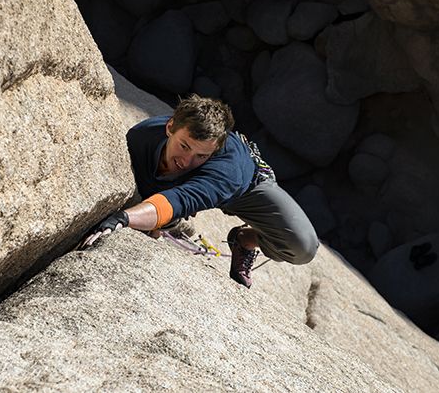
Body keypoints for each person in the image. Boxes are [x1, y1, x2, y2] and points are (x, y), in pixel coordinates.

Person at [81, 94, 319, 288]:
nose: (186, 160)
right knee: (157, 215)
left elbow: (182, 199)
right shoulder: (142, 136)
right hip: (188, 180)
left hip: (246, 188)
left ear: (214, 152)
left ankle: (245, 240)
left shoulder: (228, 172)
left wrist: (124, 218)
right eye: (184, 146)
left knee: (302, 246)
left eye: (201, 155)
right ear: (170, 127)